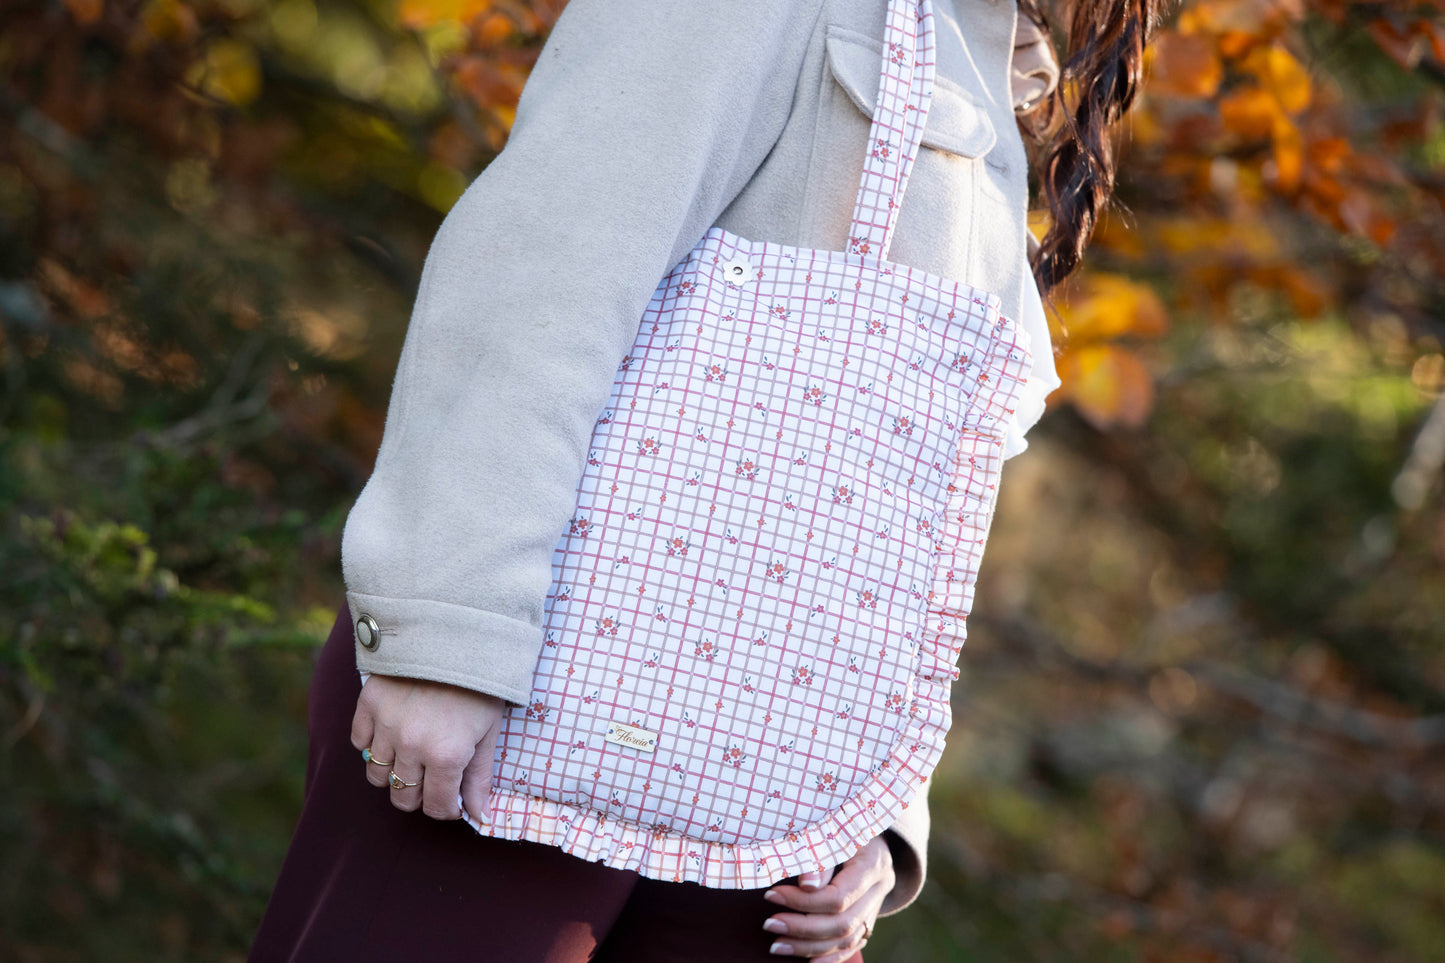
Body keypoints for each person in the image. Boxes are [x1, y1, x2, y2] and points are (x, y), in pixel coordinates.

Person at [250, 0, 1155, 959]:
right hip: (514, 710)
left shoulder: (986, 51)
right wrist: (447, 635)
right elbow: (544, 279)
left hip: (770, 815)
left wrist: (881, 803)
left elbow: (907, 484)